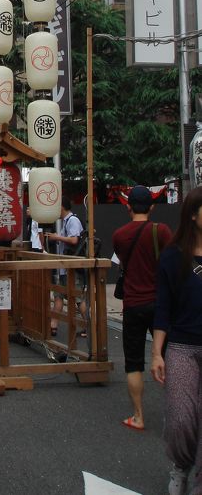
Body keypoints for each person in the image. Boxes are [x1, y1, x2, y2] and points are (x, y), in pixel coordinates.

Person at [151, 187, 202, 495]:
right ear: (193, 216)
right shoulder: (173, 256)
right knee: (181, 417)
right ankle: (180, 466)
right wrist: (157, 352)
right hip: (182, 346)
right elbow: (163, 307)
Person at [113, 184, 171, 432]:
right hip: (160, 304)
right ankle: (176, 414)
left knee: (134, 362)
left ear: (128, 207)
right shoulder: (162, 231)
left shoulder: (119, 236)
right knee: (171, 359)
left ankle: (138, 416)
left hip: (133, 303)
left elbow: (123, 261)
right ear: (152, 206)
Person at [45, 197, 87, 339]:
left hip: (72, 266)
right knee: (58, 295)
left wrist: (57, 237)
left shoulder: (72, 220)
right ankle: (53, 325)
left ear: (62, 207)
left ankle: (90, 325)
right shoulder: (66, 221)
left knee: (77, 298)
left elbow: (74, 240)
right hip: (65, 266)